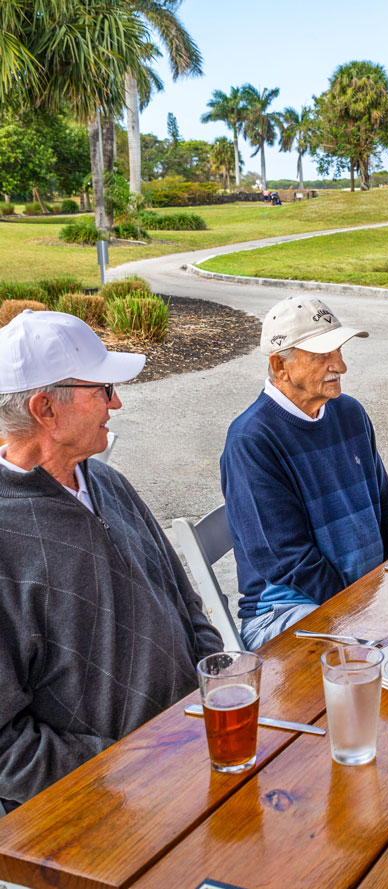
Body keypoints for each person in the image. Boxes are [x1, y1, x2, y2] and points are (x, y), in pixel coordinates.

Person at [0, 310, 223, 812]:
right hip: (95, 806)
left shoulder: (109, 483)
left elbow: (187, 604)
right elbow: (6, 752)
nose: (116, 403)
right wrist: (132, 766)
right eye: (101, 390)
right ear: (45, 409)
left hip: (193, 753)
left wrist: (211, 689)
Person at [221, 296, 388, 649]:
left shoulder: (349, 412)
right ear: (280, 366)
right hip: (285, 612)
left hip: (365, 597)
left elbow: (387, 512)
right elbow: (289, 561)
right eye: (323, 355)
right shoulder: (252, 439)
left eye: (338, 350)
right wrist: (364, 609)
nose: (341, 365)